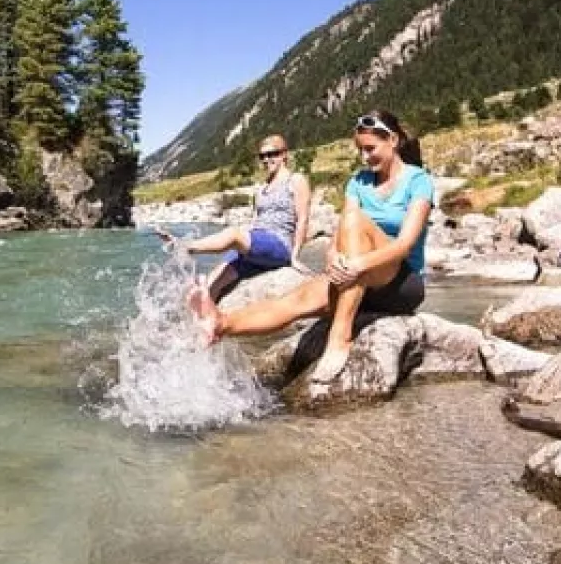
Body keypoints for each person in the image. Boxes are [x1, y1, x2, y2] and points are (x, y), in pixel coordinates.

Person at [188, 110, 434, 384]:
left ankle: (340, 335)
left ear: (393, 140)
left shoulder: (418, 180)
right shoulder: (358, 182)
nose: (364, 158)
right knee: (295, 300)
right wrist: (332, 260)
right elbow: (340, 233)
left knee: (355, 220)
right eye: (360, 151)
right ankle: (220, 323)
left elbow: (405, 244)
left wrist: (355, 265)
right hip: (356, 277)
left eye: (370, 149)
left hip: (400, 281)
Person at [156, 134, 312, 302]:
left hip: (279, 244)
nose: (266, 159)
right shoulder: (262, 188)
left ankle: (186, 247)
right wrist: (244, 242)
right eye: (262, 156)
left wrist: (295, 257)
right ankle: (203, 326)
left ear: (284, 154)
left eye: (271, 154)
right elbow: (256, 220)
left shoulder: (296, 180)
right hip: (256, 246)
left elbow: (302, 219)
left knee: (233, 234)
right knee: (211, 284)